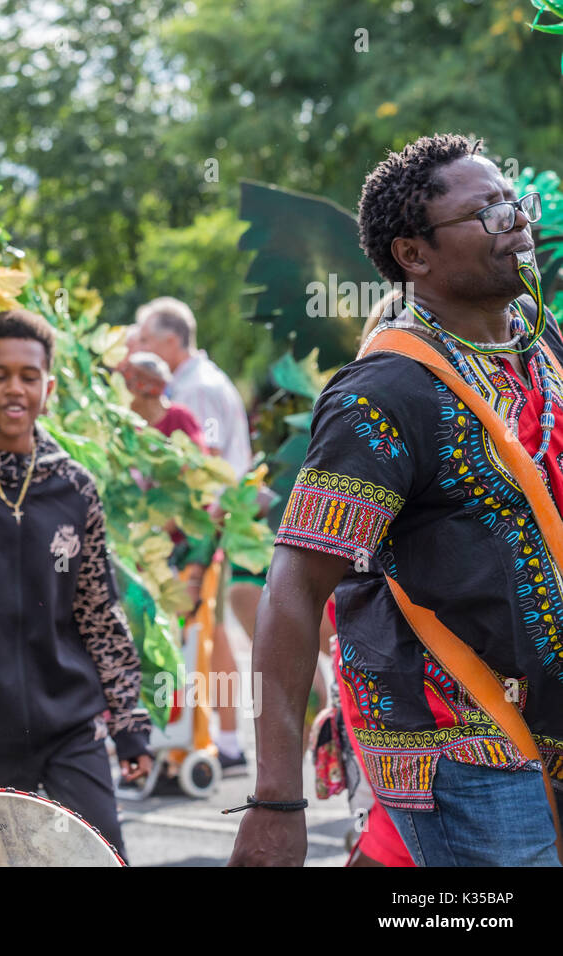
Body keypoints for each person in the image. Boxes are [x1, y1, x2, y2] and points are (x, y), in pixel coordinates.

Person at [231, 133, 562, 866]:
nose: (515, 221)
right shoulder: (382, 395)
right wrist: (276, 801)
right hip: (462, 749)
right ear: (415, 256)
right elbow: (293, 589)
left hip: (547, 730)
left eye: (513, 203)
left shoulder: (543, 346)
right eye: (487, 212)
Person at [0, 309, 152, 860]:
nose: (15, 389)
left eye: (29, 377)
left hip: (68, 726)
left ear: (48, 386)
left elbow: (99, 613)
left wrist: (130, 723)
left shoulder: (74, 488)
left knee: (103, 856)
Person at [139, 297, 255, 774]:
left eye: (145, 340)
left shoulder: (196, 390)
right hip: (201, 527)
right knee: (211, 633)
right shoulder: (193, 384)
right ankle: (217, 741)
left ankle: (214, 741)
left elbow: (200, 471)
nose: (137, 351)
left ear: (170, 341)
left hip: (201, 530)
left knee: (204, 633)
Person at [120, 349, 205, 446]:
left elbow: (197, 456)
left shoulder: (178, 417)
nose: (122, 391)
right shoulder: (124, 422)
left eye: (129, 385)